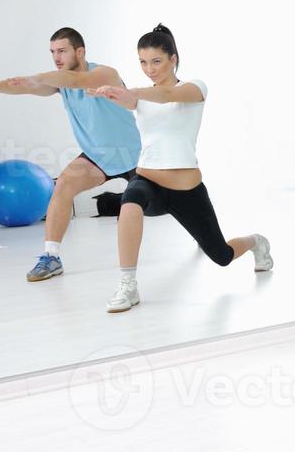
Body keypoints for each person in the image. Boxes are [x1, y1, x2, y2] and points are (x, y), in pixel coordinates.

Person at [88, 24, 271, 312]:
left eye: (156, 61)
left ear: (173, 59)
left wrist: (129, 92)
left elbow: (167, 95)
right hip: (147, 180)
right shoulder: (140, 97)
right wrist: (109, 94)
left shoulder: (194, 88)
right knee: (130, 202)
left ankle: (256, 242)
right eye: (143, 62)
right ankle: (128, 284)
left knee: (221, 256)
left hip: (186, 190)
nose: (149, 69)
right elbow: (132, 99)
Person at [0, 27, 142, 281]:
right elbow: (27, 87)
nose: (56, 57)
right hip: (98, 158)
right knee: (63, 185)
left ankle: (206, 239)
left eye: (62, 51)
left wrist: (39, 77)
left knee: (168, 204)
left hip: (136, 155)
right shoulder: (60, 84)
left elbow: (76, 81)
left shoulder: (104, 73)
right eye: (53, 52)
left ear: (80, 51)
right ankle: (51, 257)